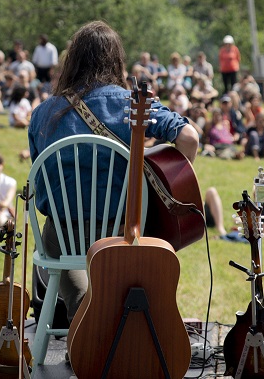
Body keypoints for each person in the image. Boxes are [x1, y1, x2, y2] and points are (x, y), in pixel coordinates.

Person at [27, 20, 199, 319]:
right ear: (115, 60)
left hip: (65, 233)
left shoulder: (42, 113)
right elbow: (190, 137)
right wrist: (162, 189)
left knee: (54, 241)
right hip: (123, 231)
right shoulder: (132, 104)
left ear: (73, 62)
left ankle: (83, 317)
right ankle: (112, 323)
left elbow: (41, 180)